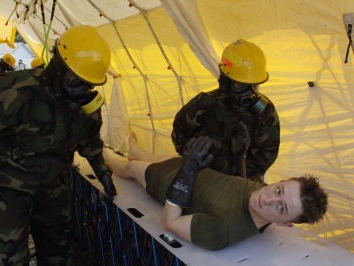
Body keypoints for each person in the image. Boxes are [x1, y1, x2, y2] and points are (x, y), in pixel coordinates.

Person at [0, 25, 116, 265]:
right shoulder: (11, 92)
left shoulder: (85, 104)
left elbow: (90, 139)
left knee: (59, 256)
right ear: (58, 66)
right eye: (74, 81)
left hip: (54, 186)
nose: (81, 90)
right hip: (6, 187)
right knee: (6, 259)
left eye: (88, 84)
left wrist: (102, 170)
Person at [103, 132, 328, 251]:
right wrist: (241, 155)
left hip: (168, 182)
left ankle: (103, 153)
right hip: (188, 167)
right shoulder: (261, 193)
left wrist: (187, 174)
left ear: (285, 224)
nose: (267, 199)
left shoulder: (223, 231)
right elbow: (240, 186)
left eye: (281, 208)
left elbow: (170, 223)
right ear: (280, 181)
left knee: (131, 168)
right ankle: (135, 151)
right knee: (162, 157)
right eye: (278, 190)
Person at [172, 39, 280, 183]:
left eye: (253, 85)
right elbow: (180, 129)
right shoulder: (206, 103)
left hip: (243, 183)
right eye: (239, 84)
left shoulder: (264, 112)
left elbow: (267, 154)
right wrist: (194, 161)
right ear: (226, 80)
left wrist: (236, 171)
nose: (248, 92)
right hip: (204, 178)